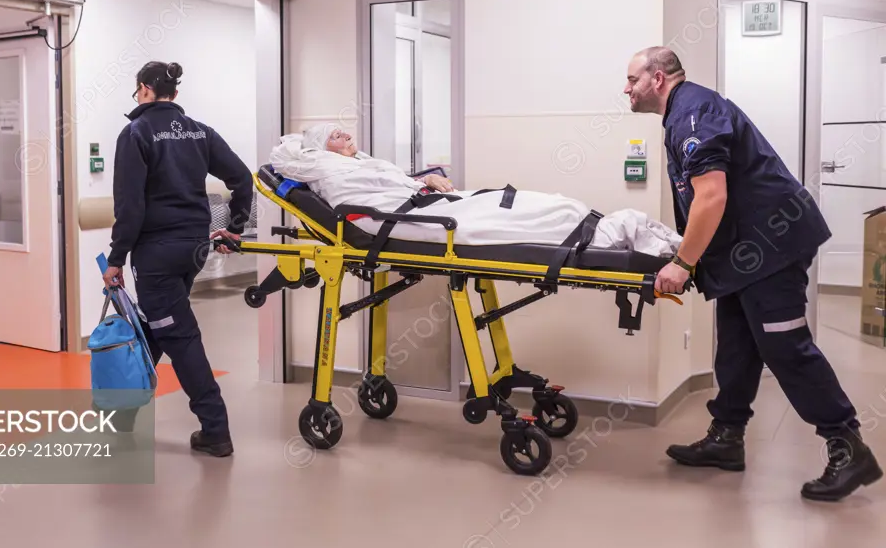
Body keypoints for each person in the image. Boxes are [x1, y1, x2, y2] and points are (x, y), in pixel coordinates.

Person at [624, 46, 882, 501]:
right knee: (737, 347)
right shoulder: (683, 114)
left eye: (632, 80)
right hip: (745, 256)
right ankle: (727, 437)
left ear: (658, 79)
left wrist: (683, 263)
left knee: (786, 347)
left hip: (771, 250)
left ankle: (848, 447)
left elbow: (711, 197)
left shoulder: (693, 112)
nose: (626, 89)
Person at [102, 60, 253, 457]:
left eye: (138, 92)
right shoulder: (200, 132)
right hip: (194, 249)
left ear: (144, 90)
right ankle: (122, 414)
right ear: (174, 93)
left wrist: (116, 258)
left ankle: (215, 429)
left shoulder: (136, 132)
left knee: (179, 334)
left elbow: (130, 207)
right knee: (155, 324)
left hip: (156, 254)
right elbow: (242, 178)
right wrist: (234, 227)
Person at [269, 123, 684, 257]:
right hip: (417, 220)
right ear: (320, 150)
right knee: (532, 214)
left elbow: (391, 186)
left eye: (346, 132)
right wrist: (417, 191)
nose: (347, 137)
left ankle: (613, 227)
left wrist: (424, 180)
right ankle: (619, 232)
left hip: (428, 204)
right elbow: (363, 202)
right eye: (336, 136)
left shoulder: (362, 162)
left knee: (534, 202)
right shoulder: (327, 169)